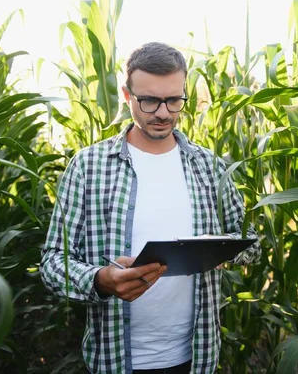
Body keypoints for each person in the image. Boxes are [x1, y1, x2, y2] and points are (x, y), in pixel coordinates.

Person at [40, 42, 261, 374]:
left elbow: (251, 243)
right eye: (149, 101)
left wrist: (221, 249)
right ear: (127, 96)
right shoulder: (88, 167)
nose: (163, 113)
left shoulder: (209, 167)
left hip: (196, 357)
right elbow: (53, 262)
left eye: (174, 100)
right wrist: (100, 280)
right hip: (116, 359)